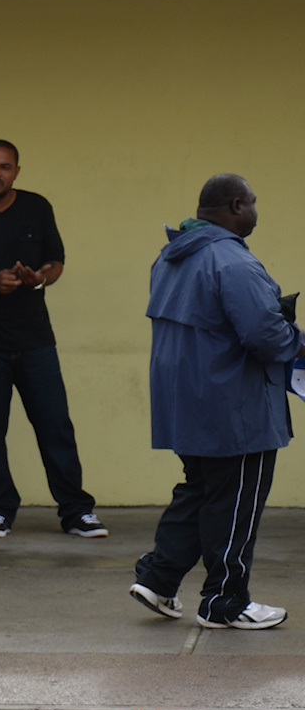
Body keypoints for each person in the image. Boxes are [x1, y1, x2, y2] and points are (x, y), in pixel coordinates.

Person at [130, 174, 299, 631]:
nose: (256, 211)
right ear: (237, 205)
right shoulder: (231, 261)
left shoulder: (170, 257)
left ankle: (159, 579)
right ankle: (224, 602)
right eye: (254, 203)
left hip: (186, 403)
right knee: (236, 501)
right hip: (234, 407)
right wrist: (296, 339)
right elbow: (265, 335)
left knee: (201, 491)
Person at [0, 140, 107, 540]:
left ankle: (76, 511)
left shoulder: (37, 208)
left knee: (55, 426)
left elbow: (56, 261)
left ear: (16, 172)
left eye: (5, 167)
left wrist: (40, 277)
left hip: (35, 341)